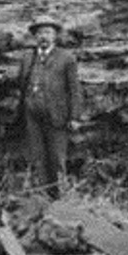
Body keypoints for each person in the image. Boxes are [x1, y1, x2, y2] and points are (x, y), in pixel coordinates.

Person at [16, 15, 83, 198]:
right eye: (39, 33)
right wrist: (0, 78)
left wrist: (75, 116)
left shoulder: (66, 58)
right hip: (32, 115)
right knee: (37, 157)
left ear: (55, 36)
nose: (43, 36)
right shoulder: (28, 57)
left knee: (56, 158)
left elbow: (75, 89)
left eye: (47, 32)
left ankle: (60, 197)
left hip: (56, 116)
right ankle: (42, 197)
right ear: (35, 37)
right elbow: (19, 79)